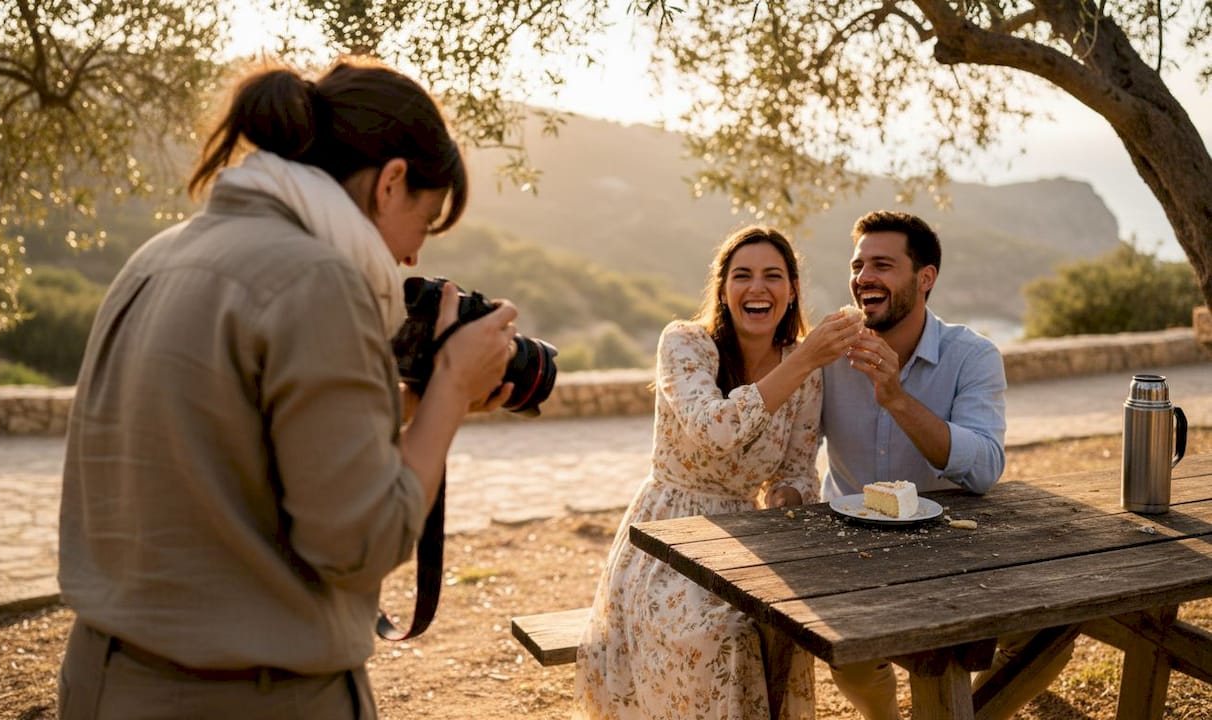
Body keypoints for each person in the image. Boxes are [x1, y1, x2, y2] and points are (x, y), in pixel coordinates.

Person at [57, 59, 518, 719]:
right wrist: (449, 387)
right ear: (392, 183)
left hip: (104, 681)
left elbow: (234, 446)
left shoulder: (158, 255)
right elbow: (360, 544)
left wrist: (408, 403)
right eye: (426, 221)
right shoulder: (317, 281)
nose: (414, 258)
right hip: (246, 697)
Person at [574, 226, 863, 719]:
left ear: (791, 289)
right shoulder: (685, 344)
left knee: (785, 625)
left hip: (747, 535)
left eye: (773, 276)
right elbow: (715, 429)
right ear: (723, 288)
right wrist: (808, 357)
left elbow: (796, 469)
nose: (758, 288)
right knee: (720, 635)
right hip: (665, 537)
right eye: (742, 275)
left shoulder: (803, 366)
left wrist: (787, 499)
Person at [820, 210, 1067, 720]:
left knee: (1052, 635)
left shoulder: (973, 356)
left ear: (925, 278)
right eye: (858, 264)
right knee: (852, 661)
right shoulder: (829, 354)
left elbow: (983, 468)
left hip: (957, 549)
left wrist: (896, 397)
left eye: (882, 265)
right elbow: (787, 446)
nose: (864, 277)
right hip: (851, 555)